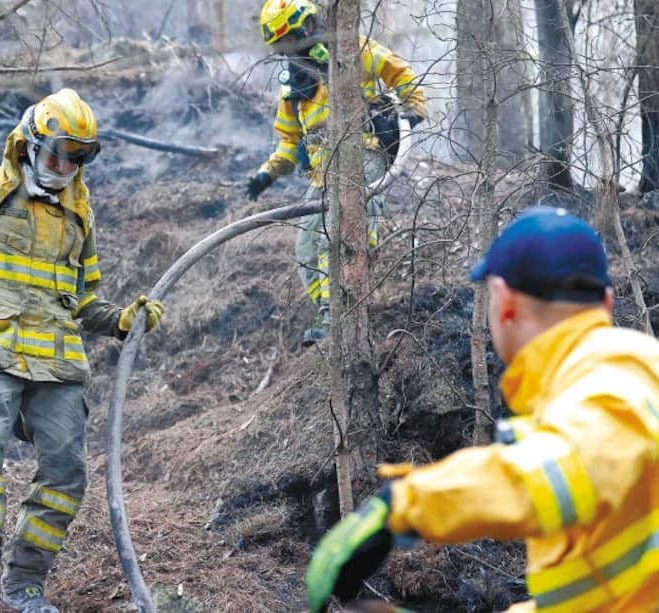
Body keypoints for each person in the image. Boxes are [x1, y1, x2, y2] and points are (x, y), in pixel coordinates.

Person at [305, 206, 659, 612]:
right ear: (607, 303)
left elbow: (556, 474)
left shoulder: (609, 382)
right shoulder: (632, 371)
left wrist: (404, 505)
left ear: (504, 303)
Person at [0, 88, 164, 613]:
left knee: (67, 472)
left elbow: (82, 300)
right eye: (58, 153)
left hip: (56, 365)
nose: (65, 167)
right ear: (29, 144)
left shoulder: (79, 215)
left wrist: (120, 320)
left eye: (78, 157)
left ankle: (25, 583)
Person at [247, 0, 427, 345]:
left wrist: (412, 110)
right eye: (282, 45)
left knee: (338, 236)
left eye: (291, 40)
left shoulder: (350, 51)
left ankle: (337, 321)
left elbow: (399, 71)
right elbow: (289, 141)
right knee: (306, 249)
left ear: (308, 27)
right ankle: (331, 314)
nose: (290, 50)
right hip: (322, 173)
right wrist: (267, 174)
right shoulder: (294, 86)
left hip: (364, 154)